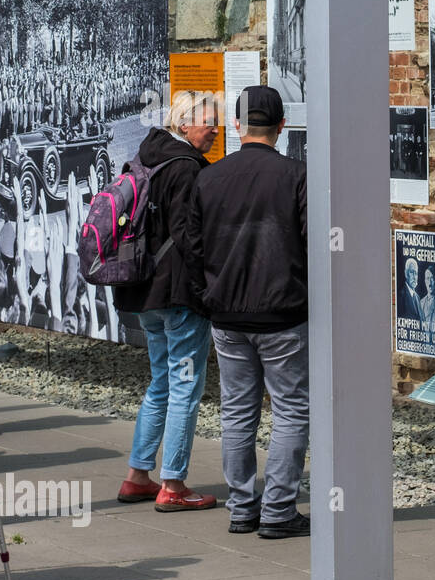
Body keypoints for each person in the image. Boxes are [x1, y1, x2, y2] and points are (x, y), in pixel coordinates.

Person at [184, 85, 310, 539]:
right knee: (291, 410)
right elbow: (312, 245)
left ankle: (242, 507)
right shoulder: (297, 175)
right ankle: (277, 510)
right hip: (282, 314)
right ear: (281, 126)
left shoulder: (208, 178)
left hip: (228, 316)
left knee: (237, 412)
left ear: (237, 126)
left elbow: (190, 248)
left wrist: (210, 298)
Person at [113, 92, 218, 512]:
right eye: (209, 121)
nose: (215, 129)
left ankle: (138, 474)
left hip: (146, 294)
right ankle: (173, 484)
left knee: (161, 383)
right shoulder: (187, 169)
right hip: (179, 297)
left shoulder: (147, 157)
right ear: (185, 123)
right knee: (185, 388)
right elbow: (190, 239)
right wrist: (207, 289)